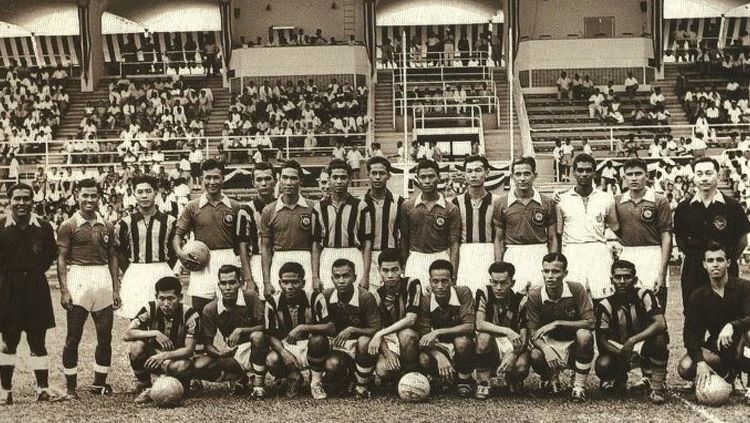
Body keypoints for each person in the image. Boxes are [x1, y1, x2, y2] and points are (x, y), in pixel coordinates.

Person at [57, 178, 120, 398]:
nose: (89, 200)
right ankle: (71, 388)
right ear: (76, 196)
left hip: (102, 277)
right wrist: (65, 290)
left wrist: (115, 288)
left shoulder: (108, 225)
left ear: (99, 197)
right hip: (80, 278)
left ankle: (99, 383)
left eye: (94, 195)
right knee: (73, 336)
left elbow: (112, 257)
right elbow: (62, 259)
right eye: (85, 195)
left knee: (105, 336)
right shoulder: (68, 225)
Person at [0, 183, 60, 404]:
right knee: (9, 340)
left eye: (26, 198)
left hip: (36, 285)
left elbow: (49, 256)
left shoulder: (43, 227)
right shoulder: (0, 226)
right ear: (9, 201)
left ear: (32, 201)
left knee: (37, 340)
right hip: (8, 287)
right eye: (17, 199)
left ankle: (42, 389)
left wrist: (32, 272)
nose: (22, 203)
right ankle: (5, 391)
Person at [674, 157, 750, 310]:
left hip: (725, 270)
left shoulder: (732, 206)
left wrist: (726, 259)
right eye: (699, 174)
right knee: (693, 317)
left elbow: (742, 241)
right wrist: (697, 258)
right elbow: (680, 240)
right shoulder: (683, 207)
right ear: (693, 177)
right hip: (694, 270)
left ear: (718, 175)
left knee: (729, 316)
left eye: (709, 173)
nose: (704, 178)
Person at [678, 242, 750, 401]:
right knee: (685, 367)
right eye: (710, 260)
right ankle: (728, 376)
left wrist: (732, 325)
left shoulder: (744, 287)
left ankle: (748, 386)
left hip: (742, 345)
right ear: (704, 264)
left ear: (728, 262)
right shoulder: (698, 295)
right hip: (718, 347)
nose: (715, 264)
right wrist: (700, 363)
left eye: (720, 259)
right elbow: (690, 334)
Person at [594, 260, 669, 404]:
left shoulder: (645, 295)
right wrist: (624, 351)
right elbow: (602, 341)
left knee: (660, 337)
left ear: (634, 279)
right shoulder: (605, 304)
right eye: (617, 277)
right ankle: (618, 377)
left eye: (627, 277)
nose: (622, 281)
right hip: (620, 349)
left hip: (642, 345)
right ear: (612, 280)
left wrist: (633, 340)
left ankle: (657, 387)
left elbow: (660, 323)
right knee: (603, 365)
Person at [173, 159, 242, 315]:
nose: (212, 182)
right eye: (208, 178)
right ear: (202, 179)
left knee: (231, 312)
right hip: (201, 262)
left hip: (227, 259)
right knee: (200, 311)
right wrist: (180, 253)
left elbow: (242, 242)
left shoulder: (235, 206)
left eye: (216, 177)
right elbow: (178, 235)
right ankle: (205, 341)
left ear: (223, 178)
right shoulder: (192, 206)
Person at [527, 253, 595, 402]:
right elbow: (532, 333)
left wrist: (558, 322)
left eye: (556, 271)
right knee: (535, 355)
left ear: (565, 273)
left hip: (573, 343)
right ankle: (550, 377)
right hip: (550, 344)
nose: (550, 276)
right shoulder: (535, 294)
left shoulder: (576, 289)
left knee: (585, 335)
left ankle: (579, 386)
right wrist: (545, 349)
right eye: (546, 271)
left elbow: (590, 322)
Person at [192, 265, 269, 397]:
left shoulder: (250, 296)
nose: (228, 287)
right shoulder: (211, 308)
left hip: (259, 350)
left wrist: (241, 330)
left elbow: (266, 327)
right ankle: (239, 378)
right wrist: (220, 354)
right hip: (235, 353)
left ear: (240, 283)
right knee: (200, 366)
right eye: (224, 283)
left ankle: (258, 385)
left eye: (232, 282)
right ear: (219, 285)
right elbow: (208, 344)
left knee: (257, 336)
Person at [264, 261, 335, 399]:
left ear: (303, 283)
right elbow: (270, 335)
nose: (290, 287)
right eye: (285, 282)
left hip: (311, 346)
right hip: (287, 346)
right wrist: (283, 352)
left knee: (318, 339)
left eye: (295, 282)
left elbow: (330, 327)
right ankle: (293, 377)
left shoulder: (315, 298)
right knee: (271, 359)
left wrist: (303, 327)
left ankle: (316, 383)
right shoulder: (272, 302)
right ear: (279, 283)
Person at [124, 276, 198, 404]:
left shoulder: (190, 314)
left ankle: (178, 386)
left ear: (180, 297)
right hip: (155, 357)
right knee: (136, 346)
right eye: (161, 298)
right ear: (156, 296)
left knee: (183, 366)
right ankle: (145, 384)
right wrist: (155, 333)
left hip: (177, 358)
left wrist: (164, 355)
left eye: (171, 298)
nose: (166, 303)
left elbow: (189, 349)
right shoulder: (150, 308)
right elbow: (127, 334)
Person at [557, 154, 619, 301]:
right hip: (572, 250)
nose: (584, 174)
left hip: (598, 249)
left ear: (594, 172)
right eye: (580, 170)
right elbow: (558, 233)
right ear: (573, 172)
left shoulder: (606, 198)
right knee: (572, 298)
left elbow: (616, 227)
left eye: (588, 170)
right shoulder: (562, 200)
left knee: (603, 297)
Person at [115, 175, 177, 319]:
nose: (144, 196)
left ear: (156, 192)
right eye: (140, 192)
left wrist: (165, 266)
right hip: (136, 271)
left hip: (162, 269)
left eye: (148, 191)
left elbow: (174, 251)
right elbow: (121, 253)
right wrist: (131, 270)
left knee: (164, 317)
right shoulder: (125, 223)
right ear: (134, 194)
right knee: (137, 318)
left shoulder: (170, 221)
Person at [614, 159, 672, 307]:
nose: (634, 178)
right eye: (629, 174)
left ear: (647, 176)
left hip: (653, 254)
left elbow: (666, 235)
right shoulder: (616, 201)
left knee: (655, 306)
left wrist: (662, 272)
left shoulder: (659, 200)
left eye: (638, 174)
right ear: (624, 177)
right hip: (627, 254)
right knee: (628, 308)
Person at [321, 259, 382, 399]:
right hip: (339, 346)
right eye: (337, 277)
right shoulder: (326, 295)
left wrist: (352, 330)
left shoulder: (365, 297)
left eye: (346, 276)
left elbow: (376, 328)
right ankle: (348, 377)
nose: (341, 281)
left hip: (361, 347)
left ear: (354, 277)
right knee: (332, 366)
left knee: (364, 341)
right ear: (332, 279)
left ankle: (363, 384)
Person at [495, 157, 557, 293]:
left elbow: (552, 237)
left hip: (539, 252)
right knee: (515, 297)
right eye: (518, 174)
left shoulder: (547, 202)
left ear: (535, 175)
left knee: (539, 296)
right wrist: (499, 264)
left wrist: (553, 263)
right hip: (513, 253)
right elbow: (498, 238)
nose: (522, 178)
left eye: (527, 174)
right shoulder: (501, 203)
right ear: (512, 177)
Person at [416, 260, 476, 397]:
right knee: (424, 359)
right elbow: (424, 336)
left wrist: (438, 331)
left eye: (444, 281)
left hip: (460, 341)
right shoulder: (425, 300)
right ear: (430, 281)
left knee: (463, 342)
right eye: (435, 281)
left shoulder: (463, 292)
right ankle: (442, 379)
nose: (440, 286)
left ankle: (464, 380)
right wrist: (439, 356)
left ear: (452, 280)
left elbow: (469, 326)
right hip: (439, 345)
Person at [260, 160, 320, 294]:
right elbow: (265, 247)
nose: (288, 182)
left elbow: (316, 244)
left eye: (293, 178)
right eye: (285, 177)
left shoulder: (312, 207)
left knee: (307, 300)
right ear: (279, 179)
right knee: (278, 301)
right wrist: (267, 282)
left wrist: (315, 276)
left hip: (305, 257)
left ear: (301, 181)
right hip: (279, 258)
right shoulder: (269, 210)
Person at [366, 249, 422, 386]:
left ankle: (412, 375)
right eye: (385, 270)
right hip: (390, 339)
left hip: (413, 338)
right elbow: (375, 329)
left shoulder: (412, 284)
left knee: (406, 334)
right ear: (379, 270)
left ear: (402, 269)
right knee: (382, 370)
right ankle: (397, 377)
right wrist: (386, 353)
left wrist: (380, 334)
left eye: (394, 270)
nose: (390, 275)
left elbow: (411, 319)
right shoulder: (376, 295)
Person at [474, 262, 529, 399]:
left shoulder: (520, 301)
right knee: (483, 337)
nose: (498, 288)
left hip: (512, 344)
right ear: (490, 281)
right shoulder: (484, 293)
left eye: (503, 283)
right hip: (492, 342)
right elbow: (479, 324)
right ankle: (483, 382)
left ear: (512, 282)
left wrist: (513, 355)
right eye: (494, 282)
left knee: (521, 366)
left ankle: (513, 380)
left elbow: (524, 338)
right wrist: (507, 330)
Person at [401, 159, 461, 286]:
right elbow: (404, 239)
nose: (427, 181)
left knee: (439, 299)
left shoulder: (451, 208)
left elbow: (454, 243)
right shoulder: (408, 206)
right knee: (414, 299)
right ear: (417, 179)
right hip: (416, 258)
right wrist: (404, 265)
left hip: (440, 257)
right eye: (423, 177)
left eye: (431, 176)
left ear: (439, 178)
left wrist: (453, 273)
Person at [314, 159, 371, 289]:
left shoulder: (360, 206)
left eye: (343, 177)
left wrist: (366, 276)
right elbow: (316, 244)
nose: (339, 181)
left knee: (354, 300)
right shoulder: (319, 207)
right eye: (335, 177)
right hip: (328, 255)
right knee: (328, 298)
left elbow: (367, 243)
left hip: (353, 254)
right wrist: (315, 276)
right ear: (329, 179)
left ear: (350, 179)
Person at [452, 155, 498, 293]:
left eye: (478, 170)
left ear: (487, 172)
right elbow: (453, 240)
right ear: (465, 175)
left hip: (489, 252)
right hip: (465, 254)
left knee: (489, 294)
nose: (473, 175)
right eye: (469, 171)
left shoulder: (497, 202)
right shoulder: (455, 203)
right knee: (466, 294)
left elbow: (499, 237)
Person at [360, 156, 404, 291]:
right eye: (374, 173)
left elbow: (404, 236)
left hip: (391, 257)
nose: (377, 177)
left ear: (388, 176)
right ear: (368, 175)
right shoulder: (359, 203)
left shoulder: (399, 202)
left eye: (382, 173)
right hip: (366, 259)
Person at [236, 162, 277, 297]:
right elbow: (243, 246)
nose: (264, 183)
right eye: (259, 179)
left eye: (267, 179)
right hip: (257, 261)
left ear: (275, 180)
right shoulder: (246, 210)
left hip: (279, 259)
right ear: (253, 183)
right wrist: (249, 278)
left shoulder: (281, 206)